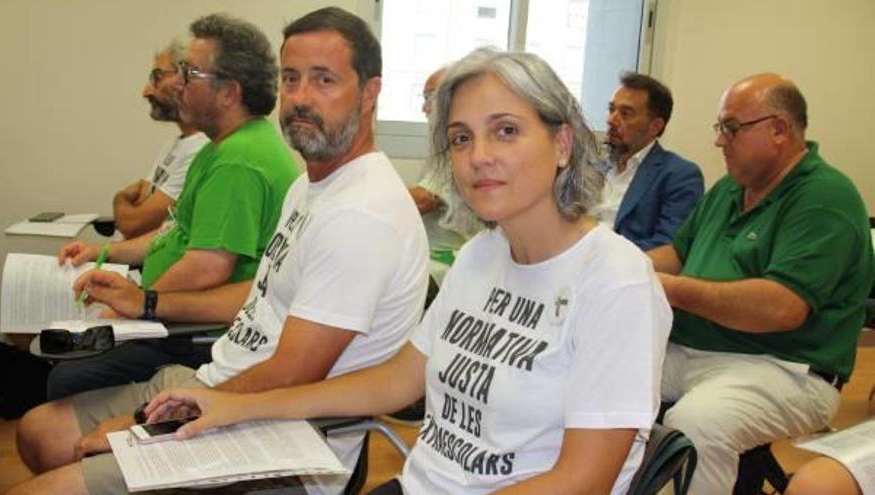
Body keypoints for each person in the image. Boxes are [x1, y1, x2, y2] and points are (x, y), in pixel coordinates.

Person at [143, 47, 672, 495]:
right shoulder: (482, 256)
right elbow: (396, 380)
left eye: (506, 131)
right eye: (462, 138)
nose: (478, 156)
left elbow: (583, 479)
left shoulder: (614, 280)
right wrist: (237, 404)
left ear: (562, 144)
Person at [9, 7, 427, 495]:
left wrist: (145, 424)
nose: (300, 98)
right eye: (291, 79)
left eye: (324, 80)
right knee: (37, 434)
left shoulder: (361, 214)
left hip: (275, 433)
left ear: (370, 93)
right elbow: (261, 291)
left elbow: (293, 373)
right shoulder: (312, 185)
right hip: (215, 383)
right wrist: (146, 304)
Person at [46, 14, 301, 399]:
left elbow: (207, 266)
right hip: (170, 314)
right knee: (66, 355)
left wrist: (136, 306)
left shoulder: (238, 161)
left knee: (67, 377)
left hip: (198, 333)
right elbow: (173, 233)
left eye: (189, 74)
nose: (177, 85)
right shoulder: (221, 147)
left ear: (229, 92)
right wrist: (104, 251)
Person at [648, 73, 875, 493]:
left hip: (785, 369)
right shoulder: (728, 190)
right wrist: (619, 266)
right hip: (691, 350)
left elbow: (781, 308)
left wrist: (673, 289)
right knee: (600, 377)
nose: (720, 141)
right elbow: (675, 256)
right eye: (720, 128)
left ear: (779, 130)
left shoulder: (827, 197)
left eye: (731, 128)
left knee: (698, 424)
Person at [593, 72, 703, 251]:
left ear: (655, 127)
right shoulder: (594, 169)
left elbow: (669, 246)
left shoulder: (679, 175)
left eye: (625, 113)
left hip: (623, 271)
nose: (611, 120)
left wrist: (600, 259)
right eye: (612, 109)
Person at [112, 41, 209, 240]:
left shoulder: (201, 150)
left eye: (157, 77)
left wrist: (119, 199)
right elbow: (141, 202)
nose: (146, 92)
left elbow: (133, 225)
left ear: (186, 78)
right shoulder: (174, 145)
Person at [407, 66, 473, 283]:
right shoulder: (442, 144)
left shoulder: (459, 147)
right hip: (434, 254)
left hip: (450, 260)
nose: (424, 107)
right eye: (423, 98)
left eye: (430, 98)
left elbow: (423, 200)